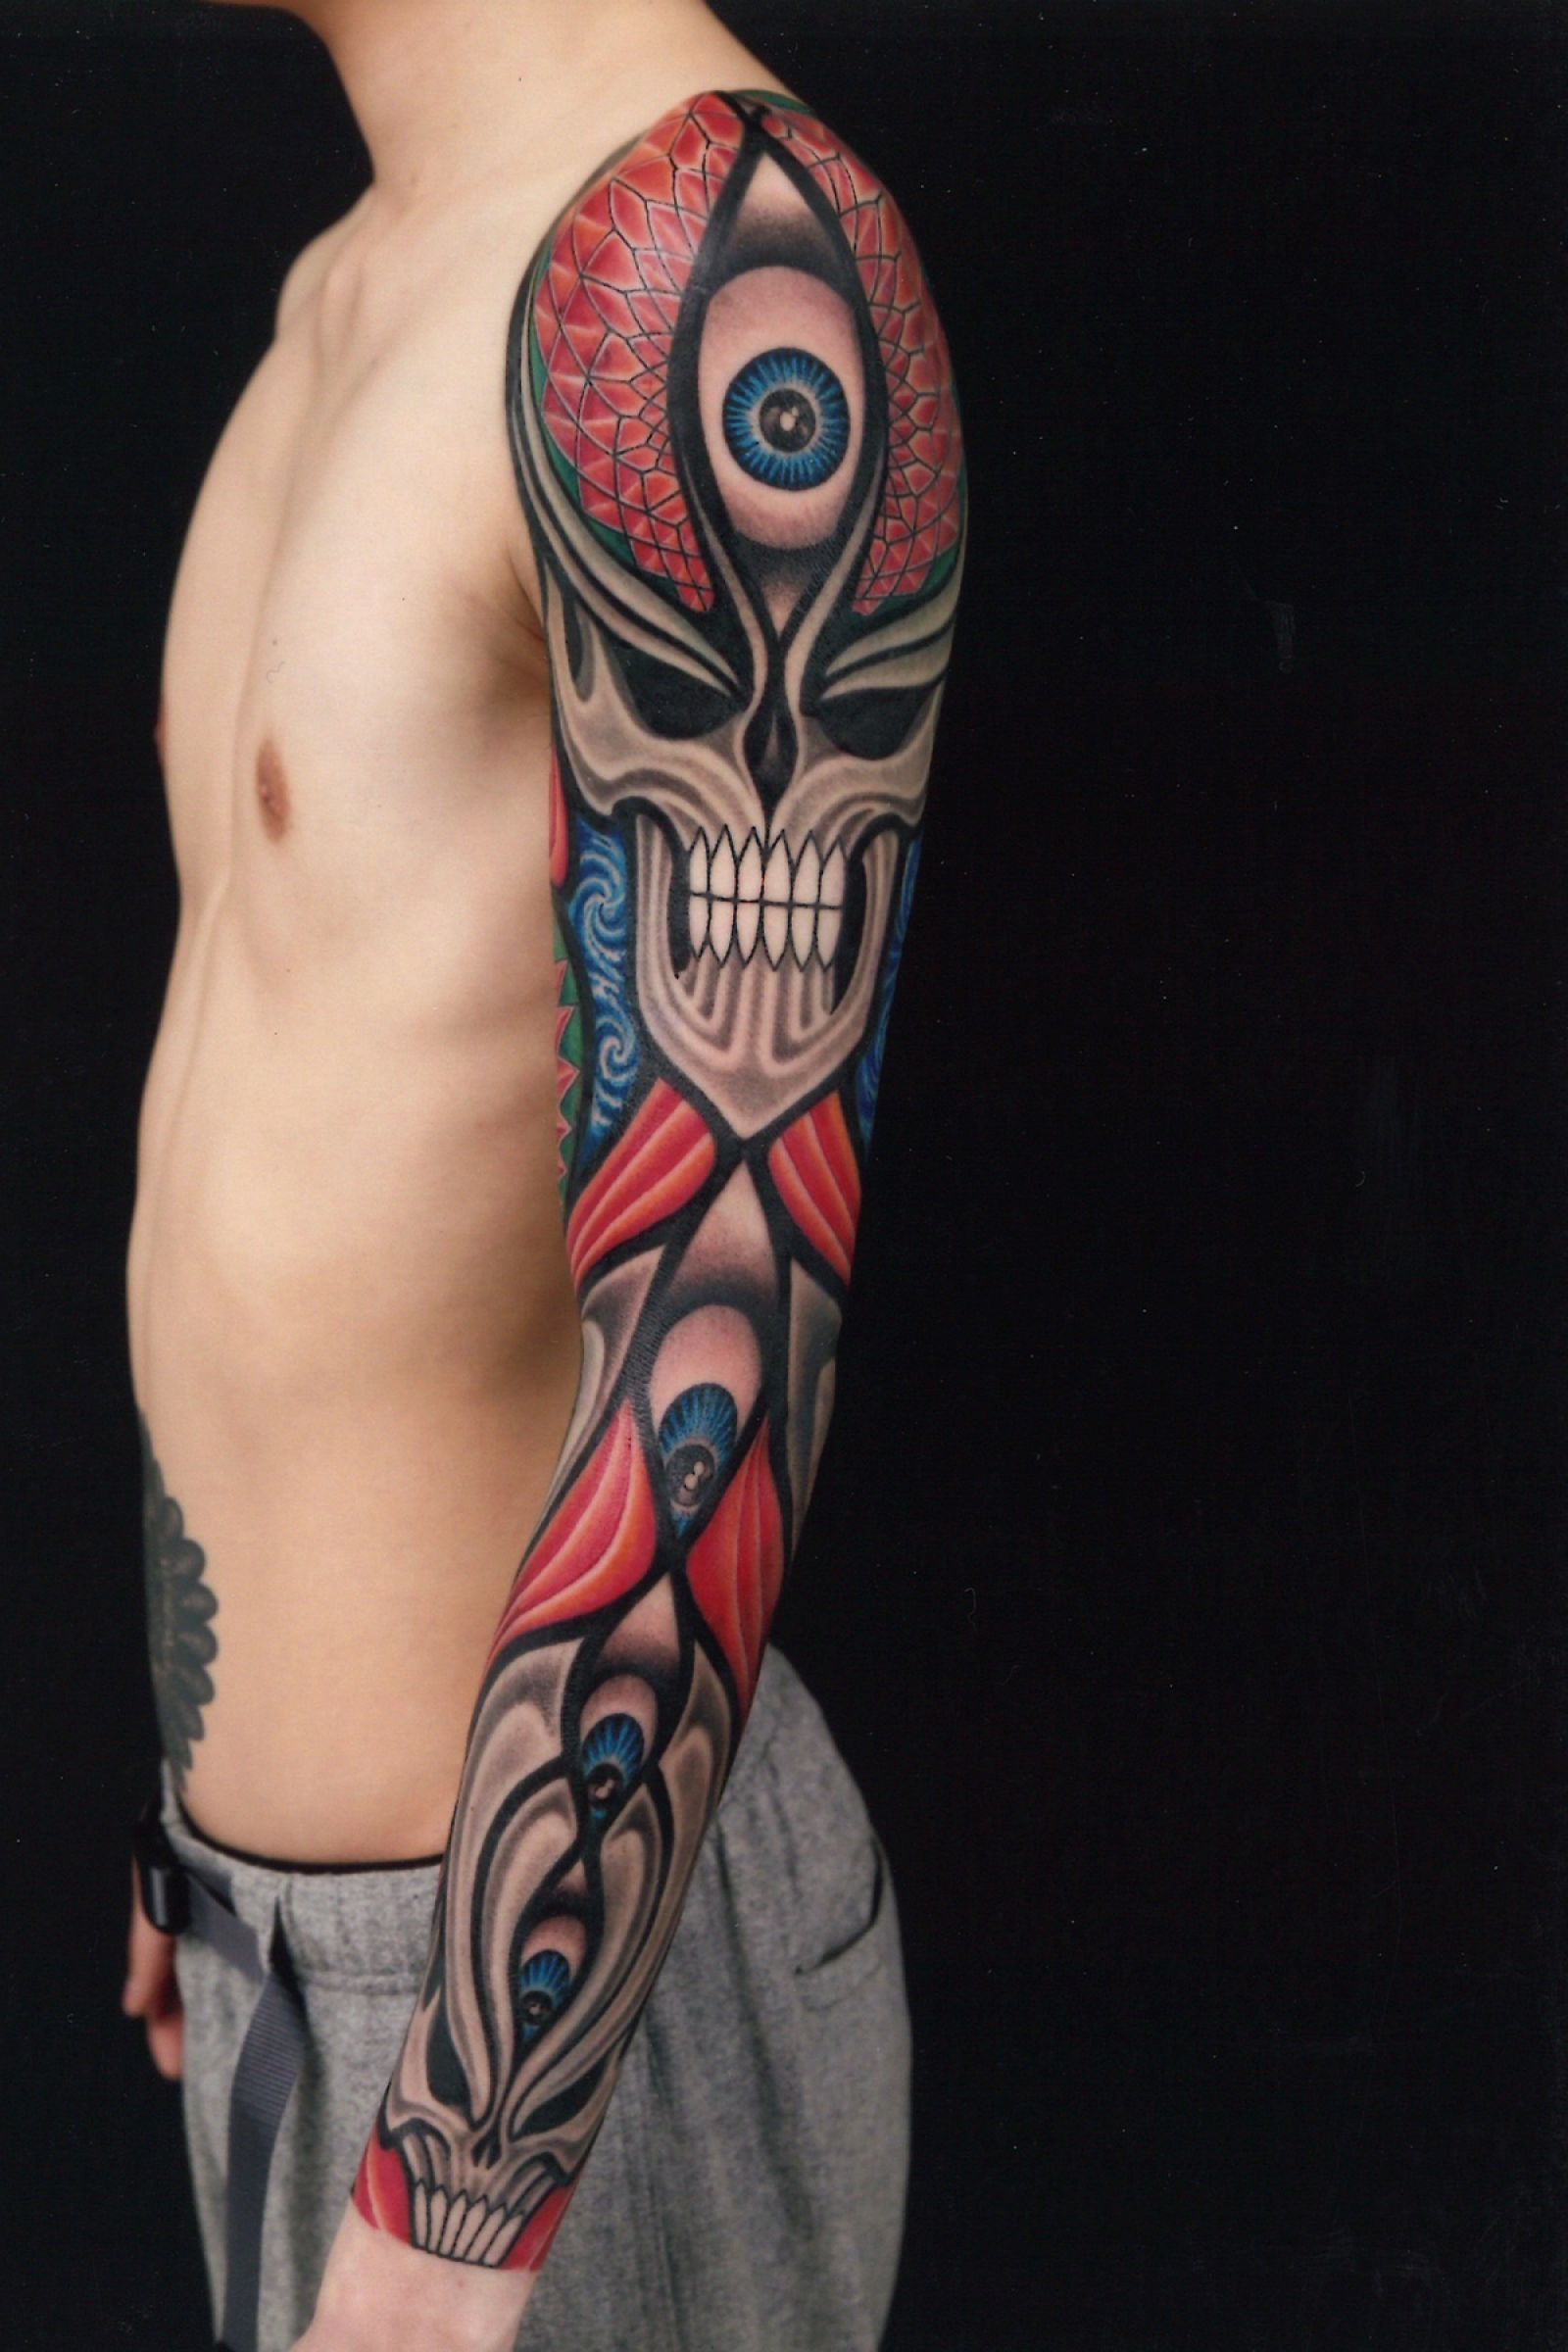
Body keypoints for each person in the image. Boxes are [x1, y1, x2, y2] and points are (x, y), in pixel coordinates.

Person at [119, 2, 964, 2346]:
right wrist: (210, 1766)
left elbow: (731, 1285)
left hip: (543, 2009)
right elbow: (291, 1110)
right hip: (291, 1950)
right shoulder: (349, 284)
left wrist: (465, 2182)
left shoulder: (715, 270)